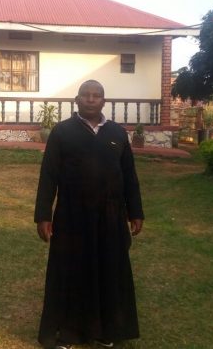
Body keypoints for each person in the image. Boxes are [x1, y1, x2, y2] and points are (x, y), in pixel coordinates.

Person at [34, 80, 144, 349]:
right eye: (86, 95)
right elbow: (48, 177)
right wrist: (43, 215)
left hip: (110, 216)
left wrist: (135, 212)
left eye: (97, 96)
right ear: (77, 99)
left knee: (110, 271)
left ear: (104, 101)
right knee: (72, 272)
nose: (91, 100)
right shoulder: (62, 132)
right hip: (73, 216)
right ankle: (69, 332)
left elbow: (129, 176)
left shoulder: (118, 133)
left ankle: (108, 330)